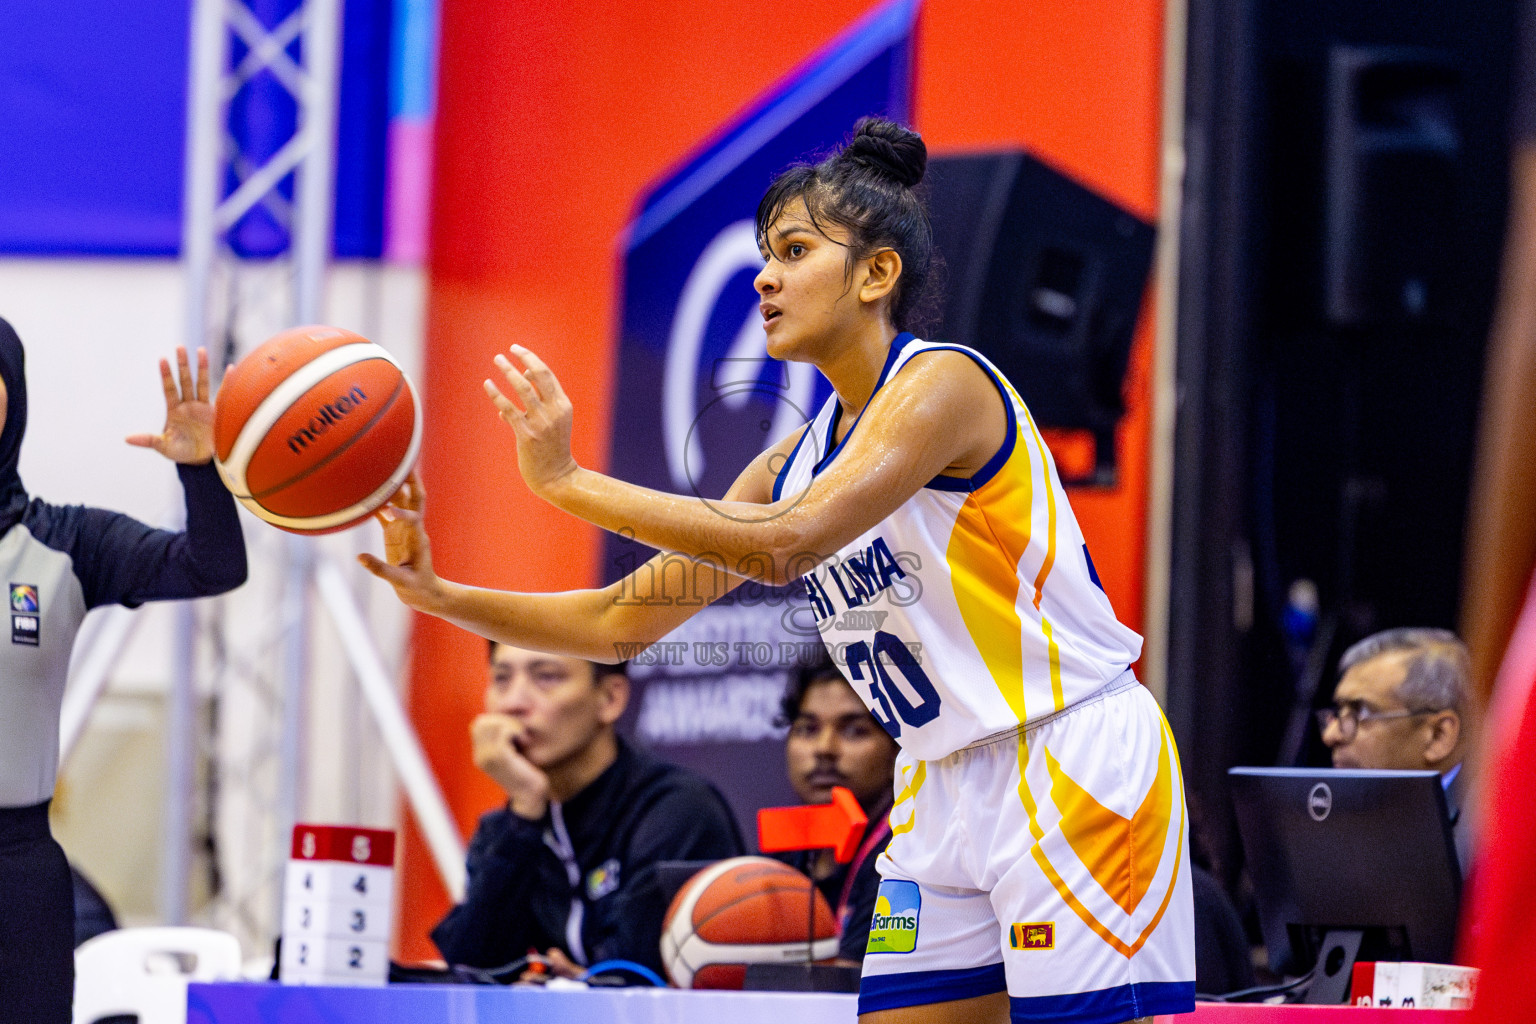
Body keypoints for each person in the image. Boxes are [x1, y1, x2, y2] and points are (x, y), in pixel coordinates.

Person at [363, 118, 1194, 1024]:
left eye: (794, 251)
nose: (764, 275)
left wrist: (568, 484)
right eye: (765, 254)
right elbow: (617, 623)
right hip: (938, 781)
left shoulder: (945, 386)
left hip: (1066, 754)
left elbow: (787, 543)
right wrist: (438, 596)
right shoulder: (788, 462)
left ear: (877, 275)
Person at [0, 320, 247, 1022]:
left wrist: (199, 472)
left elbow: (213, 565)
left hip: (16, 874)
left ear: (11, 399)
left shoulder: (65, 542)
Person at [430, 641, 742, 978]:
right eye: (502, 679)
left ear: (610, 699)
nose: (512, 703)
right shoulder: (512, 824)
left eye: (546, 677)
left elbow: (637, 973)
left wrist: (576, 986)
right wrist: (523, 810)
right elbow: (469, 968)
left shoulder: (675, 810)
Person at [773, 657, 898, 964]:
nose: (825, 748)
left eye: (854, 731)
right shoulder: (777, 865)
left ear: (899, 748)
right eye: (808, 729)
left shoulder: (906, 855)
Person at [1316, 628, 1473, 872]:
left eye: (1361, 713)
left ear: (1438, 736)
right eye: (1338, 713)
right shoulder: (1332, 825)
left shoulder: (1493, 847)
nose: (1330, 735)